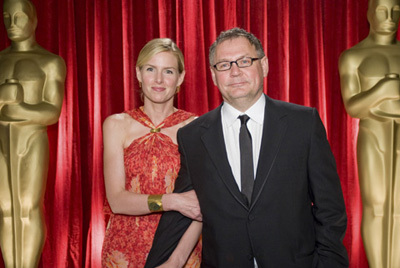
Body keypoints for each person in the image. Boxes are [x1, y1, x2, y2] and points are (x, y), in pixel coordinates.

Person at [145, 27, 349, 268]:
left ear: (264, 65)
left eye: (244, 61)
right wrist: (160, 262)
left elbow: (330, 210)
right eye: (224, 65)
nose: (235, 72)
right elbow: (182, 210)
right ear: (213, 75)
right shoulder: (192, 136)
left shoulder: (303, 123)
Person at [101, 38, 202, 268]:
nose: (158, 80)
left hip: (180, 251)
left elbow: (201, 206)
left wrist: (176, 262)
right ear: (138, 74)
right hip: (123, 251)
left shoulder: (198, 128)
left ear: (180, 77)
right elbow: (116, 201)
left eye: (168, 71)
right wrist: (172, 201)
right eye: (150, 69)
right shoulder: (116, 125)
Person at [0, 0, 66, 267]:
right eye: (6, 17)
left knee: (28, 206)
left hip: (31, 140)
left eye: (19, 17)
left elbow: (52, 111)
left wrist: (17, 108)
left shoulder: (50, 62)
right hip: (2, 142)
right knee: (5, 209)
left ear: (34, 20)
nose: (12, 24)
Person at [339, 0, 400, 267]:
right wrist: (382, 90)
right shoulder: (354, 56)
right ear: (369, 13)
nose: (389, 17)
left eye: (395, 10)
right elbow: (353, 106)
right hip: (374, 131)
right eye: (382, 10)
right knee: (376, 205)